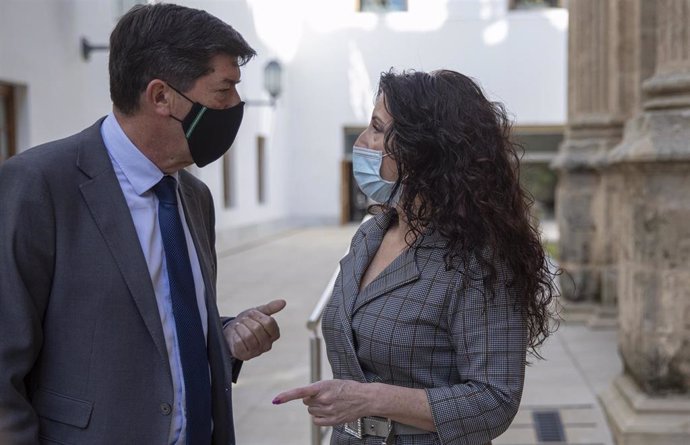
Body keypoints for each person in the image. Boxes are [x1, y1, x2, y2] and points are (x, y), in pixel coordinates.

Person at [0, 4, 285, 444]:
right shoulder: (39, 186)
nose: (235, 107)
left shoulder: (194, 196)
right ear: (160, 97)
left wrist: (224, 335)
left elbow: (158, 324)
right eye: (224, 91)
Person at [273, 69, 558, 444]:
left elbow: (494, 401)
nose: (362, 141)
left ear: (422, 149)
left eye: (376, 128)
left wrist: (371, 399)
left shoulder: (480, 259)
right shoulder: (370, 235)